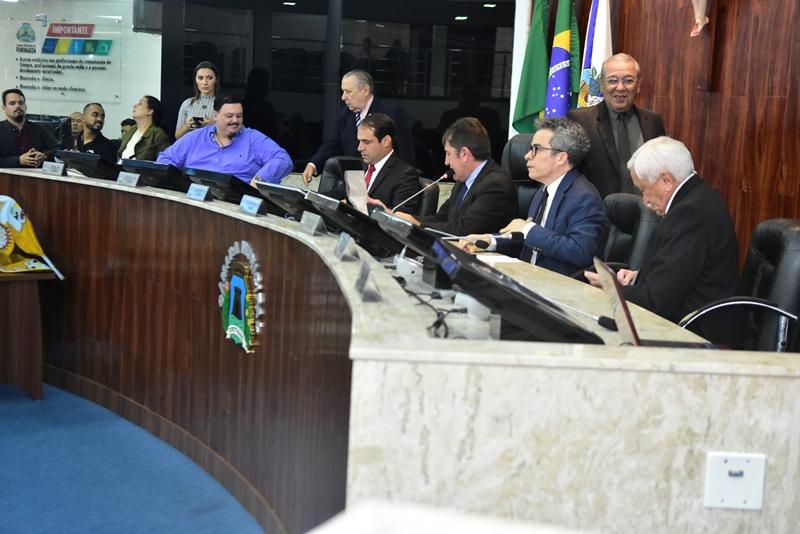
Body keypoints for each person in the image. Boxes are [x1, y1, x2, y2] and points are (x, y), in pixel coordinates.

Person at [584, 136, 739, 343]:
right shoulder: (698, 199)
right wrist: (639, 277)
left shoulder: (690, 213)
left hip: (693, 333)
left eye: (643, 189)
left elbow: (656, 301)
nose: (645, 201)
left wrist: (611, 289)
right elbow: (679, 272)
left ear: (666, 180)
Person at [462, 118, 608, 276]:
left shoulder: (584, 196)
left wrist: (528, 229)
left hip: (557, 285)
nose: (527, 156)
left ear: (561, 158)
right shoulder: (543, 190)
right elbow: (530, 241)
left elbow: (581, 252)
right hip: (527, 276)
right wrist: (489, 241)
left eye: (536, 149)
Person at [394, 117, 516, 236]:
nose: (446, 162)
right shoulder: (463, 180)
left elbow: (464, 229)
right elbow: (441, 219)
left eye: (448, 153)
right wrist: (403, 219)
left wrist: (418, 225)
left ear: (464, 154)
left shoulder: (495, 184)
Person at [567, 54, 666, 198]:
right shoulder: (580, 120)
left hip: (644, 208)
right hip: (598, 208)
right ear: (601, 84)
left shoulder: (653, 121)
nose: (620, 87)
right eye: (612, 80)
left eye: (628, 80)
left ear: (638, 84)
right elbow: (568, 173)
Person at [302, 69, 415, 183]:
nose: (343, 97)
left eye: (348, 91)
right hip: (353, 181)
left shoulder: (391, 111)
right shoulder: (345, 114)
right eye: (343, 92)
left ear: (365, 90)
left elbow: (404, 150)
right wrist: (313, 164)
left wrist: (404, 182)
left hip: (384, 181)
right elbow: (332, 144)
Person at [157, 95, 292, 185]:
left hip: (236, 205)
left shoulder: (253, 138)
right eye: (229, 116)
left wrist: (260, 180)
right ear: (216, 116)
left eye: (239, 116)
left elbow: (283, 159)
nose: (235, 120)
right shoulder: (195, 137)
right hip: (195, 200)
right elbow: (165, 159)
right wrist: (178, 181)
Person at [356, 113, 421, 214]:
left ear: (386, 141)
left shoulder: (405, 175)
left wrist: (383, 212)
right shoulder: (357, 166)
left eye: (366, 142)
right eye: (359, 141)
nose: (359, 148)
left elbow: (402, 218)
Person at [0, 88, 58, 168]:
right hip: (6, 175)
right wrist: (19, 160)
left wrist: (44, 155)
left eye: (21, 103)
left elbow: (58, 149)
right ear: (4, 108)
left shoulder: (38, 129)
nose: (18, 106)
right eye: (12, 103)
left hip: (36, 175)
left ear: (25, 107)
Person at [175, 61, 219, 140]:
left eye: (210, 78)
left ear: (216, 79)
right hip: (189, 146)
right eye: (200, 78)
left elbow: (231, 134)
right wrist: (187, 126)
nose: (205, 82)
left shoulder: (224, 105)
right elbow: (177, 136)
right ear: (195, 80)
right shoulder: (187, 103)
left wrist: (213, 124)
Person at [117, 95, 171, 161]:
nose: (134, 106)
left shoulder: (158, 134)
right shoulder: (131, 130)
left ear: (150, 111)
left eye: (140, 103)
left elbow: (163, 162)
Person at [243, 67, 281, 142]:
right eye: (266, 83)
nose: (268, 87)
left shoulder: (240, 106)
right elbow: (275, 134)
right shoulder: (266, 108)